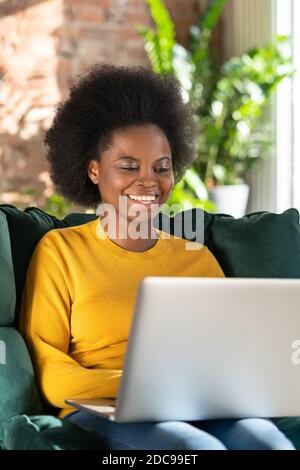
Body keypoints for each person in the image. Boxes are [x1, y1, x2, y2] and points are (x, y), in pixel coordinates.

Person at [19, 64, 295, 450]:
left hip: (198, 402)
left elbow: (227, 355)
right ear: (94, 169)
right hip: (104, 407)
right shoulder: (60, 252)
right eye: (128, 166)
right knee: (198, 450)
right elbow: (50, 369)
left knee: (271, 444)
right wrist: (141, 388)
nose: (148, 181)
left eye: (161, 168)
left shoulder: (196, 258)